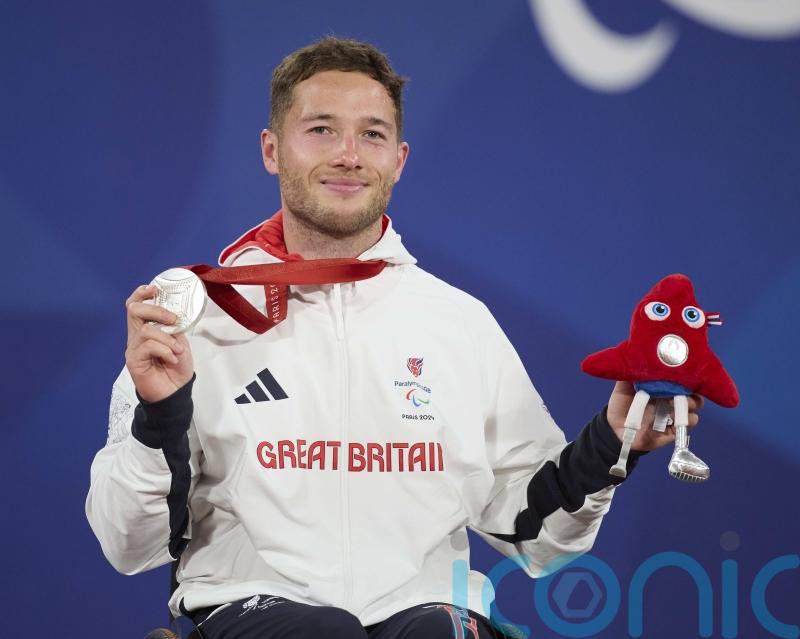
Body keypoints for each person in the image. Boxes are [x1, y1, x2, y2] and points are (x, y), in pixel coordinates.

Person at [86, 37, 703, 639]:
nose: (349, 155)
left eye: (372, 134)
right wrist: (160, 416)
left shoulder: (458, 322)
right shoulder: (198, 320)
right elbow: (129, 544)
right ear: (272, 150)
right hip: (250, 606)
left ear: (399, 159)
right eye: (321, 129)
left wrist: (612, 444)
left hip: (428, 611)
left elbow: (538, 534)